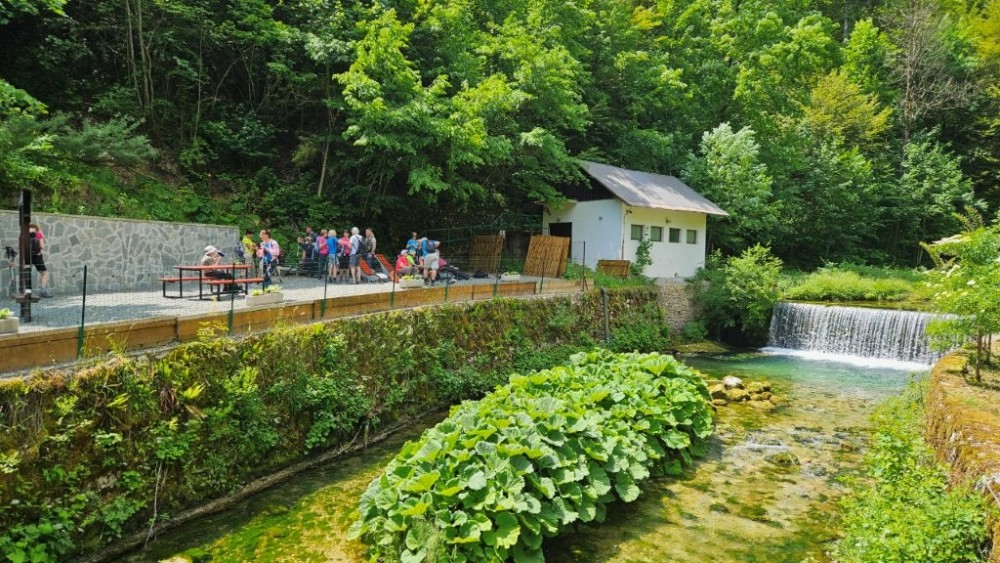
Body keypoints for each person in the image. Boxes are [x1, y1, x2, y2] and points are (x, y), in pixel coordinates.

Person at [27, 224, 51, 297]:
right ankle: (43, 292)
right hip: (37, 257)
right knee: (44, 273)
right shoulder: (38, 234)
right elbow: (42, 246)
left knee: (26, 273)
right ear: (36, 229)